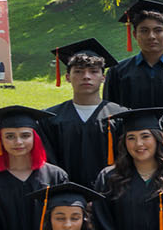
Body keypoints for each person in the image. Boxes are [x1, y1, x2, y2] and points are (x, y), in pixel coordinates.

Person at [44, 39, 124, 187]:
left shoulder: (121, 116)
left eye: (93, 72)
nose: (86, 76)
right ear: (68, 77)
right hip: (66, 198)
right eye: (79, 71)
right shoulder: (50, 118)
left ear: (103, 78)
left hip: (112, 194)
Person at [104, 0, 163, 110]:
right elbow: (109, 111)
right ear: (135, 35)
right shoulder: (117, 71)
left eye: (158, 30)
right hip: (131, 127)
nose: (151, 36)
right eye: (144, 31)